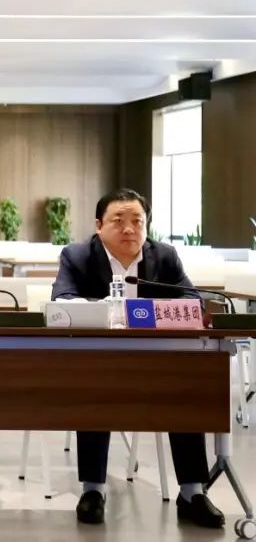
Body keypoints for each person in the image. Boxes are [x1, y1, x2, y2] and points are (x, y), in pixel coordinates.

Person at [52, 188, 224, 528]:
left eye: (138, 221)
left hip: (157, 359)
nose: (129, 229)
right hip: (98, 358)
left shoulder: (164, 256)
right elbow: (62, 300)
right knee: (94, 386)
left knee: (186, 387)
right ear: (99, 225)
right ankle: (93, 490)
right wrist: (110, 310)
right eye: (118, 221)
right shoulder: (77, 255)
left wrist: (148, 311)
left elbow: (191, 301)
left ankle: (192, 492)